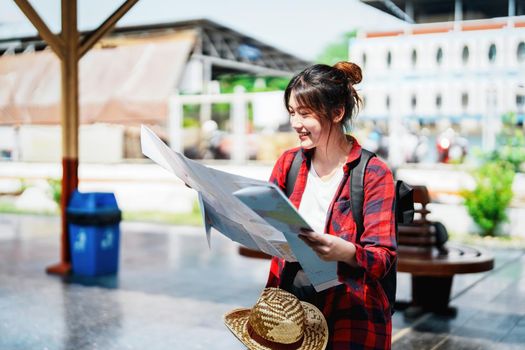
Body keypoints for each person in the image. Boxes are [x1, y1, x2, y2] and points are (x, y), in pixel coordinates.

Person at [265, 62, 396, 349]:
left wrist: (345, 251)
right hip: (290, 308)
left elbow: (383, 257)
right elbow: (268, 227)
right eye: (291, 112)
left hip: (350, 313)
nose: (296, 123)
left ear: (337, 113)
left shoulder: (373, 173)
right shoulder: (288, 163)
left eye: (305, 113)